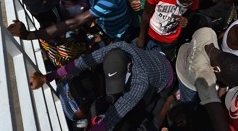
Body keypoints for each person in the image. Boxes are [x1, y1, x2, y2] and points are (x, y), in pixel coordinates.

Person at [28, 41, 174, 130]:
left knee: (150, 103)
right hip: (153, 55)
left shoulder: (141, 83)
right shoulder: (118, 47)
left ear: (128, 66)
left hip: (165, 77)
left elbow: (117, 113)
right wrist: (47, 77)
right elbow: (82, 62)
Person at [175, 27, 238, 131]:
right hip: (187, 81)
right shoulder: (203, 74)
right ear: (216, 70)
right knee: (189, 104)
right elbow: (216, 117)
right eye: (225, 82)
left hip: (184, 53)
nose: (224, 85)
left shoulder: (208, 32)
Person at [136, 0, 201, 60]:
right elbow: (146, 14)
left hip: (170, 40)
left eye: (188, 3)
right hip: (151, 34)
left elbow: (193, 10)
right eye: (181, 0)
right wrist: (141, 38)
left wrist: (186, 19)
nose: (184, 4)